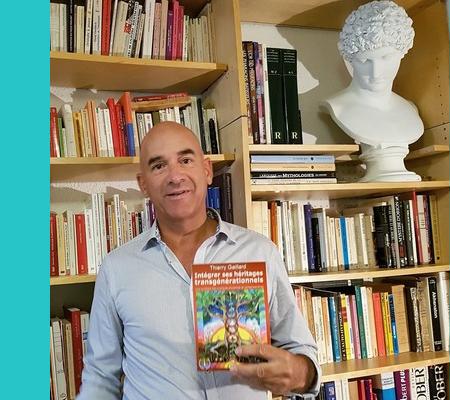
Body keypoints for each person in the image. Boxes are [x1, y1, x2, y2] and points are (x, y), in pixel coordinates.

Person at [77, 121, 320, 400]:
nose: (175, 176)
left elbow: (302, 354)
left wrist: (300, 374)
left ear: (206, 170)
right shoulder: (116, 268)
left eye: (185, 160)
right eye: (159, 166)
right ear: (143, 184)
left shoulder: (260, 252)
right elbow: (99, 378)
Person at [321, 0, 423, 182]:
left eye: (386, 57)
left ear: (402, 53)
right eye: (365, 61)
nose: (376, 72)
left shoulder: (410, 108)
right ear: (349, 60)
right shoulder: (338, 107)